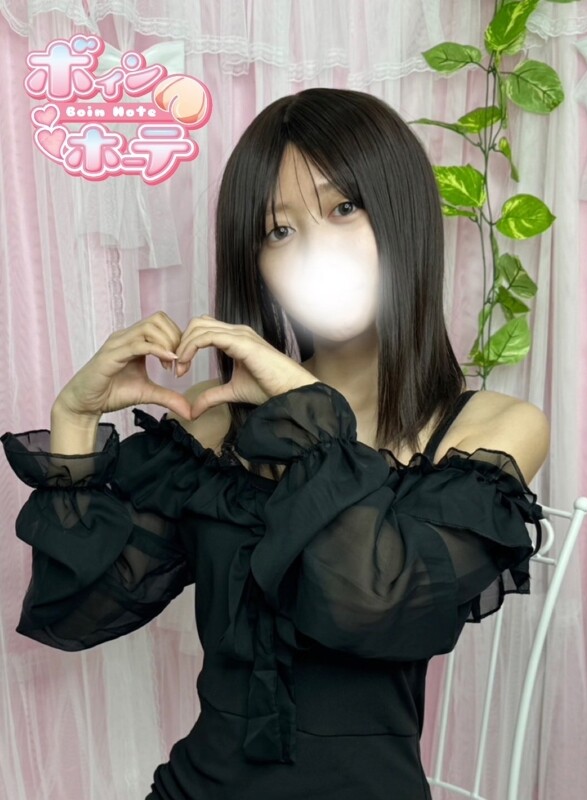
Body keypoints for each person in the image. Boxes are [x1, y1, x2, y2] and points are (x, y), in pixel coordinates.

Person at [1, 88, 550, 800]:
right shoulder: (219, 424)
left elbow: (368, 603)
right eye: (279, 230)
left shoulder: (491, 430)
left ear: (403, 214)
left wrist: (305, 412)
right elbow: (75, 616)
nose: (315, 250)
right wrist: (74, 419)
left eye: (343, 208)